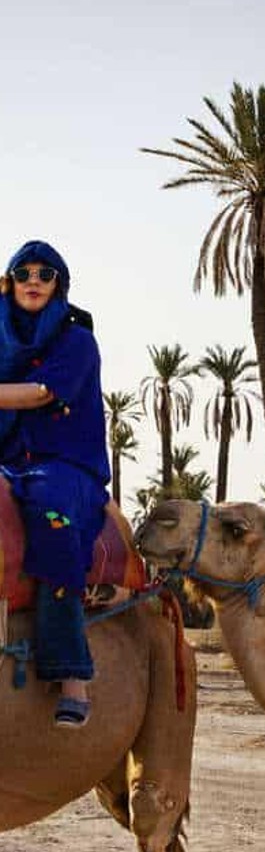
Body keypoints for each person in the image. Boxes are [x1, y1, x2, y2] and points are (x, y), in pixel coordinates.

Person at [0, 241, 110, 728]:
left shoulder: (76, 341)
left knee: (51, 514)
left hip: (65, 467)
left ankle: (71, 674)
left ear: (58, 284)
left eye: (45, 274)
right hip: (9, 463)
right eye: (23, 272)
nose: (33, 280)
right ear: (9, 283)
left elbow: (41, 394)